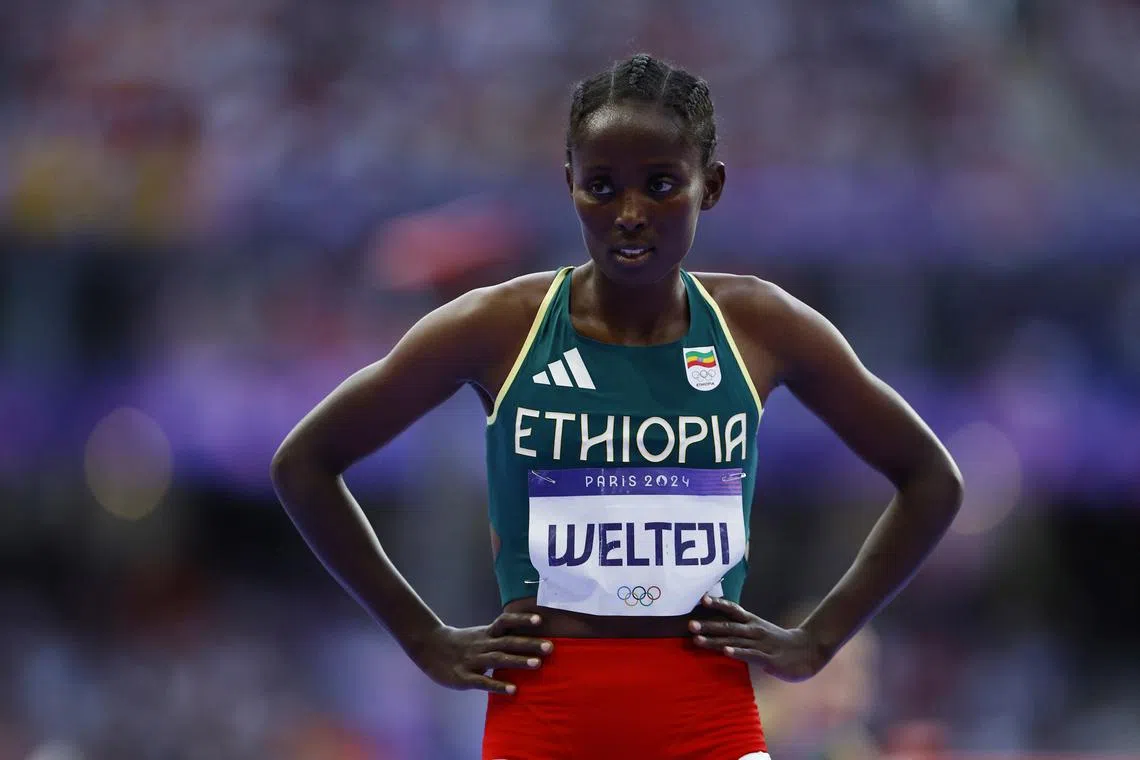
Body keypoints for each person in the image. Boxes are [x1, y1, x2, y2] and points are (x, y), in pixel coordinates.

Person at [270, 53, 964, 760]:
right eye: (601, 187)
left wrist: (817, 641)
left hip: (710, 725)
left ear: (710, 186)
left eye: (661, 185)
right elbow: (305, 463)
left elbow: (932, 479)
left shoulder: (759, 325)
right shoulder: (500, 327)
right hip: (543, 724)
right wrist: (423, 638)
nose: (630, 215)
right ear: (569, 184)